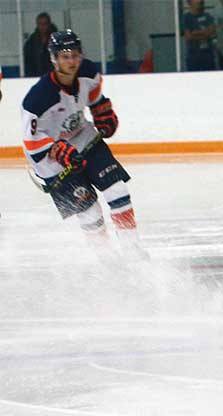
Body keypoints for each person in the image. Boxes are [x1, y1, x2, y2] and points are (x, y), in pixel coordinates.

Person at [21, 30, 145, 260]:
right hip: (49, 159)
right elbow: (31, 142)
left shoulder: (88, 72)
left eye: (75, 55)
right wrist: (57, 150)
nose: (71, 61)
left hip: (83, 137)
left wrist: (102, 113)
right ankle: (106, 260)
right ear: (54, 58)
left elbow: (95, 98)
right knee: (89, 210)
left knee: (117, 189)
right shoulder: (38, 98)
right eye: (65, 56)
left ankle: (132, 249)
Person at [183, 0, 217, 72]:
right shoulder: (186, 18)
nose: (200, 1)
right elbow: (188, 37)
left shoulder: (208, 16)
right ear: (189, 2)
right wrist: (205, 32)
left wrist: (196, 33)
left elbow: (213, 33)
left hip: (208, 56)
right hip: (193, 57)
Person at [23, 12, 58, 77]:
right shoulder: (31, 42)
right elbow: (28, 62)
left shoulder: (57, 41)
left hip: (53, 76)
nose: (42, 26)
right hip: (35, 76)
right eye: (40, 24)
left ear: (49, 24)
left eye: (45, 24)